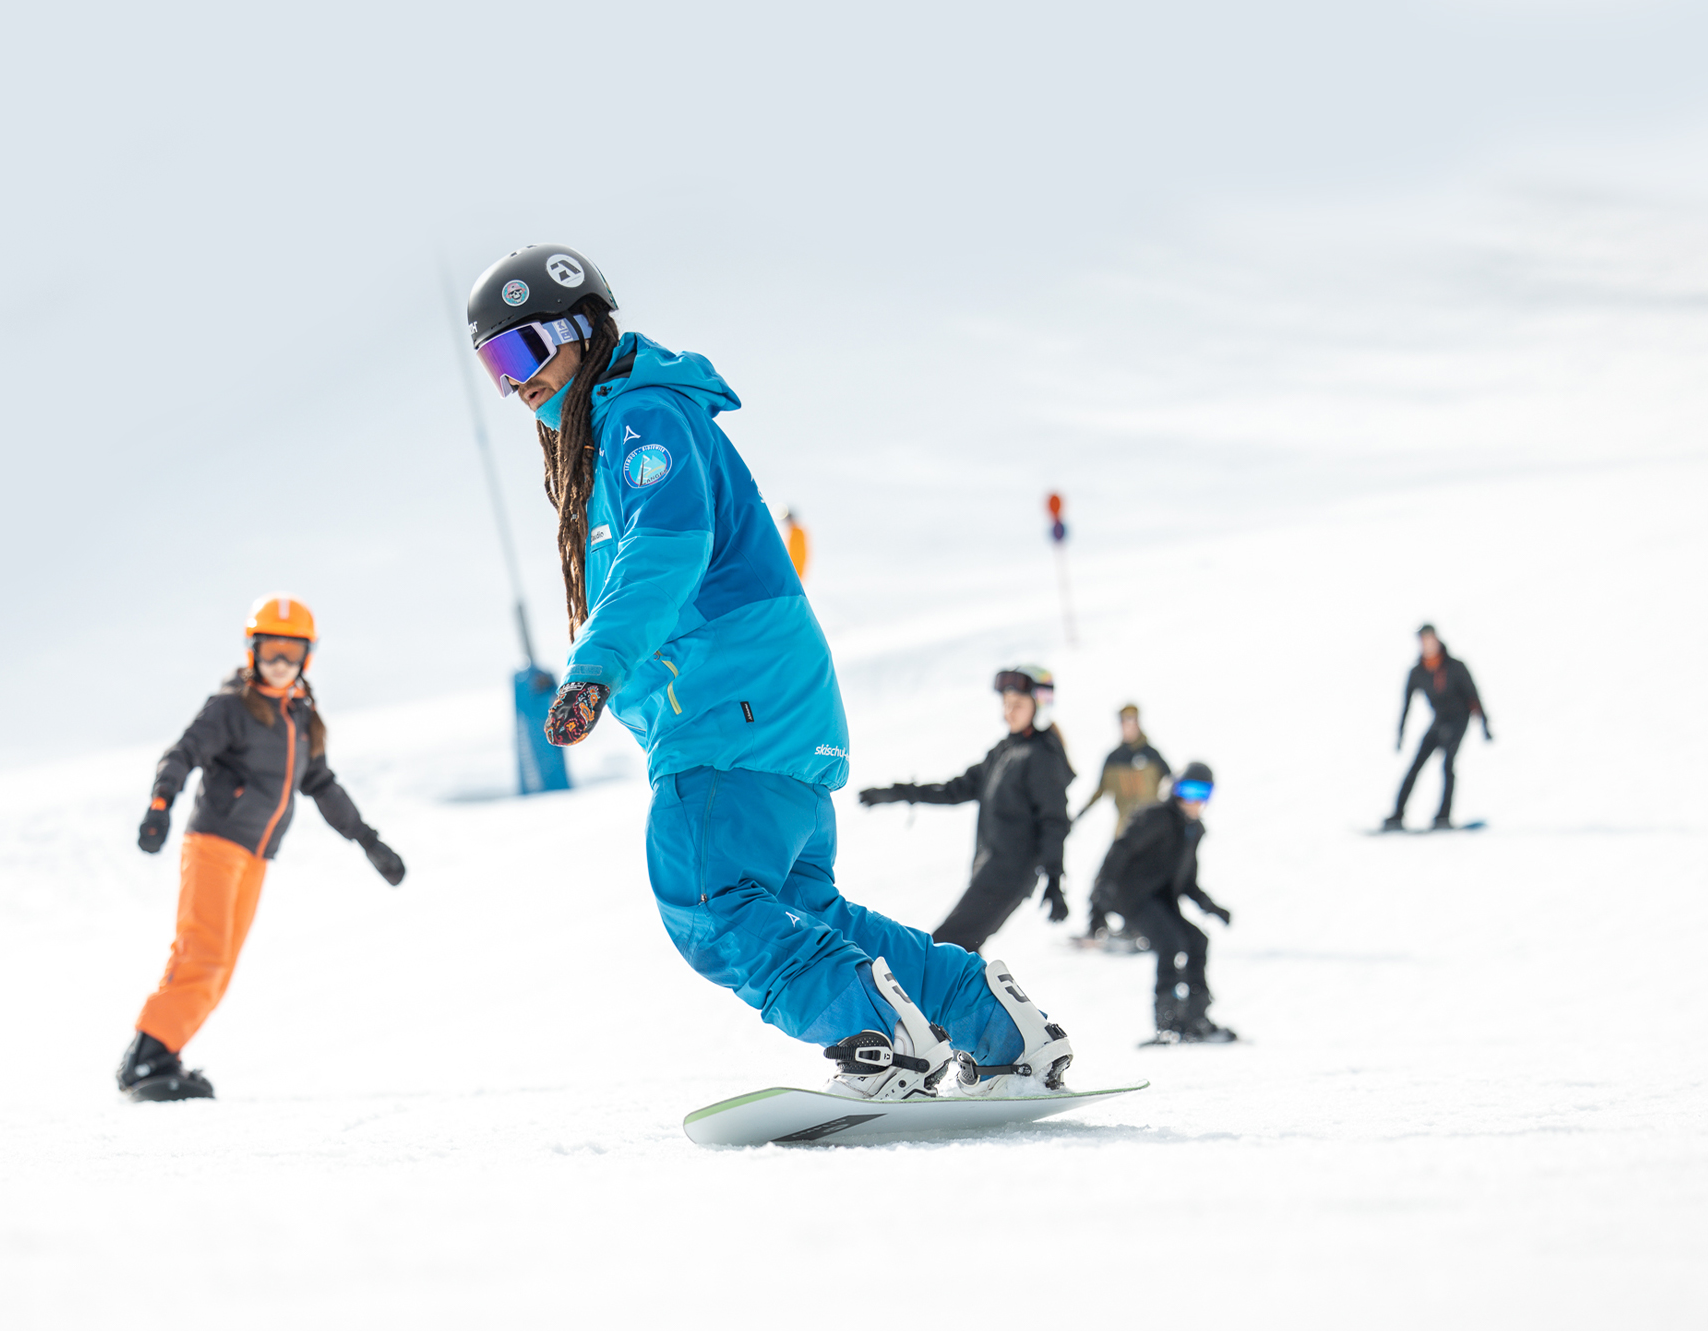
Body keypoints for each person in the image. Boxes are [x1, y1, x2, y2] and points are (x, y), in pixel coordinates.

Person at [465, 244, 1071, 1100]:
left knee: (703, 891)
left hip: (728, 709)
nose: (514, 381)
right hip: (771, 711)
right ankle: (996, 1027)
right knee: (808, 916)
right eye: (494, 364)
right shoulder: (621, 428)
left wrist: (594, 668)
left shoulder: (640, 417)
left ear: (582, 330)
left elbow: (664, 551)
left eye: (524, 352)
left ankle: (880, 1037)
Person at [117, 594, 407, 1102]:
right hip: (213, 842)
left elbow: (323, 786)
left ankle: (163, 1052)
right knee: (202, 952)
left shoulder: (299, 720)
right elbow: (182, 753)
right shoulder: (231, 707)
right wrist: (161, 804)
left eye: (290, 653)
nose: (279, 663)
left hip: (254, 856)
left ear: (306, 658)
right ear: (252, 651)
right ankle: (146, 1057)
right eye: (270, 650)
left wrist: (368, 840)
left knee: (221, 961)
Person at [858, 667, 1076, 953]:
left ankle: (940, 995)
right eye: (1006, 704)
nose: (1008, 712)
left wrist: (1054, 878)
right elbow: (955, 789)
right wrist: (898, 793)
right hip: (990, 871)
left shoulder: (1041, 758)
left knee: (946, 947)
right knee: (956, 949)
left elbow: (1054, 821)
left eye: (1018, 705)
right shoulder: (1005, 751)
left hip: (1009, 875)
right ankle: (964, 996)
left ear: (1040, 707)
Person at [1094, 761, 1235, 1043]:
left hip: (1160, 901)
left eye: (1202, 793)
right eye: (1188, 790)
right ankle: (1167, 1022)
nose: (1194, 800)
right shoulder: (1155, 816)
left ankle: (1195, 1018)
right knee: (1170, 944)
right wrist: (1101, 896)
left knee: (1197, 941)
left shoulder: (1192, 831)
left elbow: (1187, 883)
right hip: (1132, 897)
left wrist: (1211, 907)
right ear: (1175, 789)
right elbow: (1120, 850)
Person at [1079, 703, 1171, 947]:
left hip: (1151, 835)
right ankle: (1096, 926)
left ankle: (1137, 929)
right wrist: (1077, 815)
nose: (1128, 725)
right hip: (1124, 832)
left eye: (1132, 720)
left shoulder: (1151, 755)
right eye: (1123, 721)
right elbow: (1099, 791)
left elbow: (1171, 785)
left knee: (1141, 883)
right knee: (1105, 877)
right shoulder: (1114, 758)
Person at [1385, 623, 1492, 831]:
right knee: (1416, 765)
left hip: (1460, 718)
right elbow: (1406, 704)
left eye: (1430, 639)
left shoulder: (1455, 666)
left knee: (1447, 764)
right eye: (1423, 640)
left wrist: (1484, 724)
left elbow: (1473, 695)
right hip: (1439, 720)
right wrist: (1400, 734)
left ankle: (1443, 816)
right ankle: (1397, 815)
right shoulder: (1418, 671)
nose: (1428, 644)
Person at [779, 505, 809, 581]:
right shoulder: (792, 532)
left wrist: (793, 567)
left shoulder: (797, 532)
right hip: (793, 567)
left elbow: (799, 552)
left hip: (795, 567)